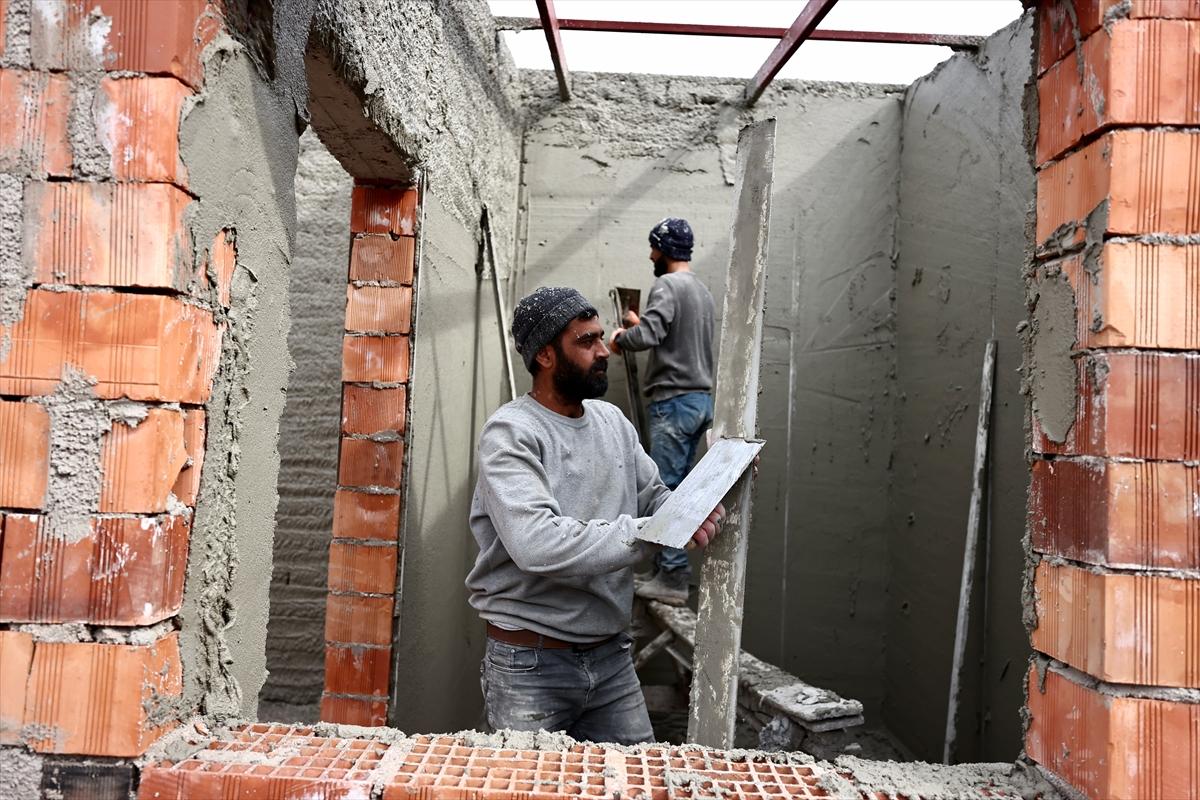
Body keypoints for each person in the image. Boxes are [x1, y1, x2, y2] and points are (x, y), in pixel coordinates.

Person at [466, 286, 724, 745]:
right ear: (545, 355)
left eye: (601, 338)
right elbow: (538, 544)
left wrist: (692, 508)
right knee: (533, 795)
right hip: (530, 665)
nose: (604, 351)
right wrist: (657, 533)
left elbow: (653, 498)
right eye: (586, 342)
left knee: (635, 785)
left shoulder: (612, 422)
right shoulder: (511, 433)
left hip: (611, 660)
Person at [608, 218, 715, 606]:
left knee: (666, 489)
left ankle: (670, 577)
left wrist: (623, 337)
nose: (651, 254)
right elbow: (671, 334)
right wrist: (644, 322)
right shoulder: (700, 291)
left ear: (665, 249)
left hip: (673, 401)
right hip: (700, 400)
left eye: (654, 247)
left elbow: (650, 336)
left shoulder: (666, 285)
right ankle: (673, 572)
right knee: (685, 491)